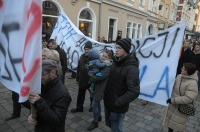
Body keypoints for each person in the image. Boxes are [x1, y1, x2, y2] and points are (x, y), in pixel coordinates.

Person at [104, 38, 140, 132]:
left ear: (126, 49)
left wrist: (117, 102)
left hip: (117, 107)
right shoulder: (116, 61)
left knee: (116, 129)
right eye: (116, 47)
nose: (116, 50)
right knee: (111, 126)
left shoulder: (132, 68)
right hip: (108, 103)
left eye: (119, 48)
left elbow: (134, 91)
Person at [28, 59, 71, 132]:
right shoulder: (43, 84)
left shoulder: (63, 94)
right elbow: (37, 106)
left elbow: (56, 120)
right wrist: (32, 114)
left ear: (53, 73)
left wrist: (39, 101)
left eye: (43, 74)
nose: (40, 77)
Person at [163, 63, 198, 132]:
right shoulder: (179, 76)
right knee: (170, 123)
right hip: (173, 106)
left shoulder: (193, 84)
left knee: (177, 124)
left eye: (183, 68)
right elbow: (173, 85)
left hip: (181, 108)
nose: (181, 69)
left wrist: (173, 100)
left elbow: (188, 98)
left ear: (187, 71)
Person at [87, 49, 113, 130]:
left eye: (106, 56)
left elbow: (100, 77)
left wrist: (91, 78)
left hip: (101, 89)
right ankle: (99, 117)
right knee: (97, 103)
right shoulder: (100, 62)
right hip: (96, 87)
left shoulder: (108, 66)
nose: (104, 57)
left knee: (94, 104)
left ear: (109, 58)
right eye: (103, 55)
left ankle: (95, 122)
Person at [71, 41, 93, 113]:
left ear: (91, 49)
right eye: (85, 49)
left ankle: (92, 106)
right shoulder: (82, 56)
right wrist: (77, 78)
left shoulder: (93, 58)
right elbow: (79, 68)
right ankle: (79, 108)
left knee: (92, 95)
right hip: (82, 80)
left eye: (88, 49)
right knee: (80, 95)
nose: (86, 50)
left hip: (90, 80)